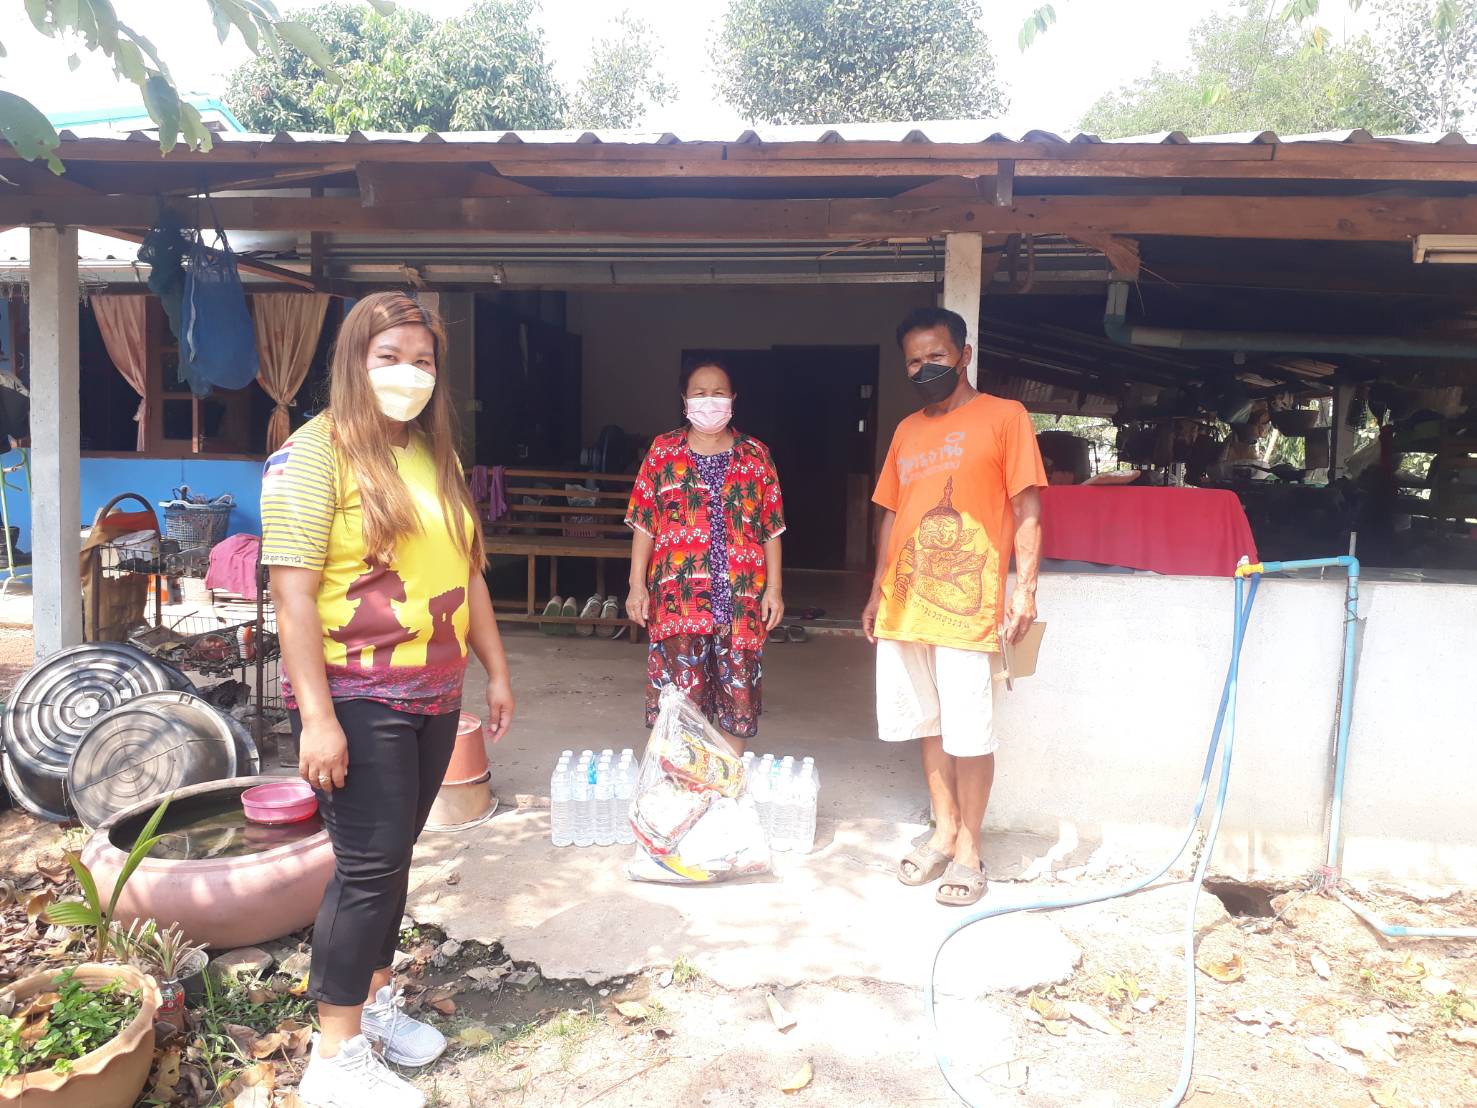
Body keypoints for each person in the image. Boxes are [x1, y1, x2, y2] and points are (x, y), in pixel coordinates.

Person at [261, 292, 514, 1108]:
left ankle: (371, 1009)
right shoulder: (313, 457)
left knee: (395, 858)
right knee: (368, 869)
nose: (409, 374)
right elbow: (292, 597)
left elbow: (467, 571)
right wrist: (318, 718)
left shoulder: (432, 455)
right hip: (354, 693)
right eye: (390, 357)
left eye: (423, 361)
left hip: (434, 692)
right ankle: (333, 1058)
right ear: (353, 362)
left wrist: (496, 670)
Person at [863, 306, 1045, 908]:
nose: (925, 369)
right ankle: (943, 832)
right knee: (929, 724)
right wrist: (877, 589)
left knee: (970, 731)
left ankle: (970, 848)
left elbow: (1027, 506)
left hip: (969, 605)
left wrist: (1025, 588)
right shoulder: (906, 430)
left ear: (963, 355)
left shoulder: (1005, 417)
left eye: (936, 356)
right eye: (914, 361)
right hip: (906, 604)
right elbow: (892, 514)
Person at [624, 357, 786, 751]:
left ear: (733, 398)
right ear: (684, 400)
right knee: (680, 704)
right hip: (678, 600)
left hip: (740, 602)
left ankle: (727, 782)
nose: (709, 401)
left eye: (718, 393)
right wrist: (636, 586)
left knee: (736, 701)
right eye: (699, 393)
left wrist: (774, 590)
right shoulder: (663, 452)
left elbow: (771, 528)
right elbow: (644, 523)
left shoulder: (755, 455)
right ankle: (684, 783)